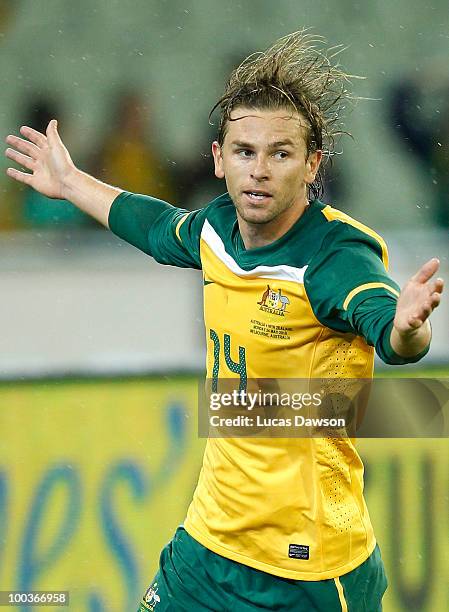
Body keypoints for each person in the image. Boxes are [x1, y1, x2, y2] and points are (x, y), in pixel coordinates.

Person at [4, 31, 444, 612]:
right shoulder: (217, 231)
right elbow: (157, 227)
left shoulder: (335, 256)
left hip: (311, 569)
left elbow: (389, 330)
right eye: (244, 152)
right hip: (207, 548)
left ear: (312, 165)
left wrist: (408, 329)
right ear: (218, 159)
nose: (259, 171)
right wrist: (69, 184)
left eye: (281, 153)